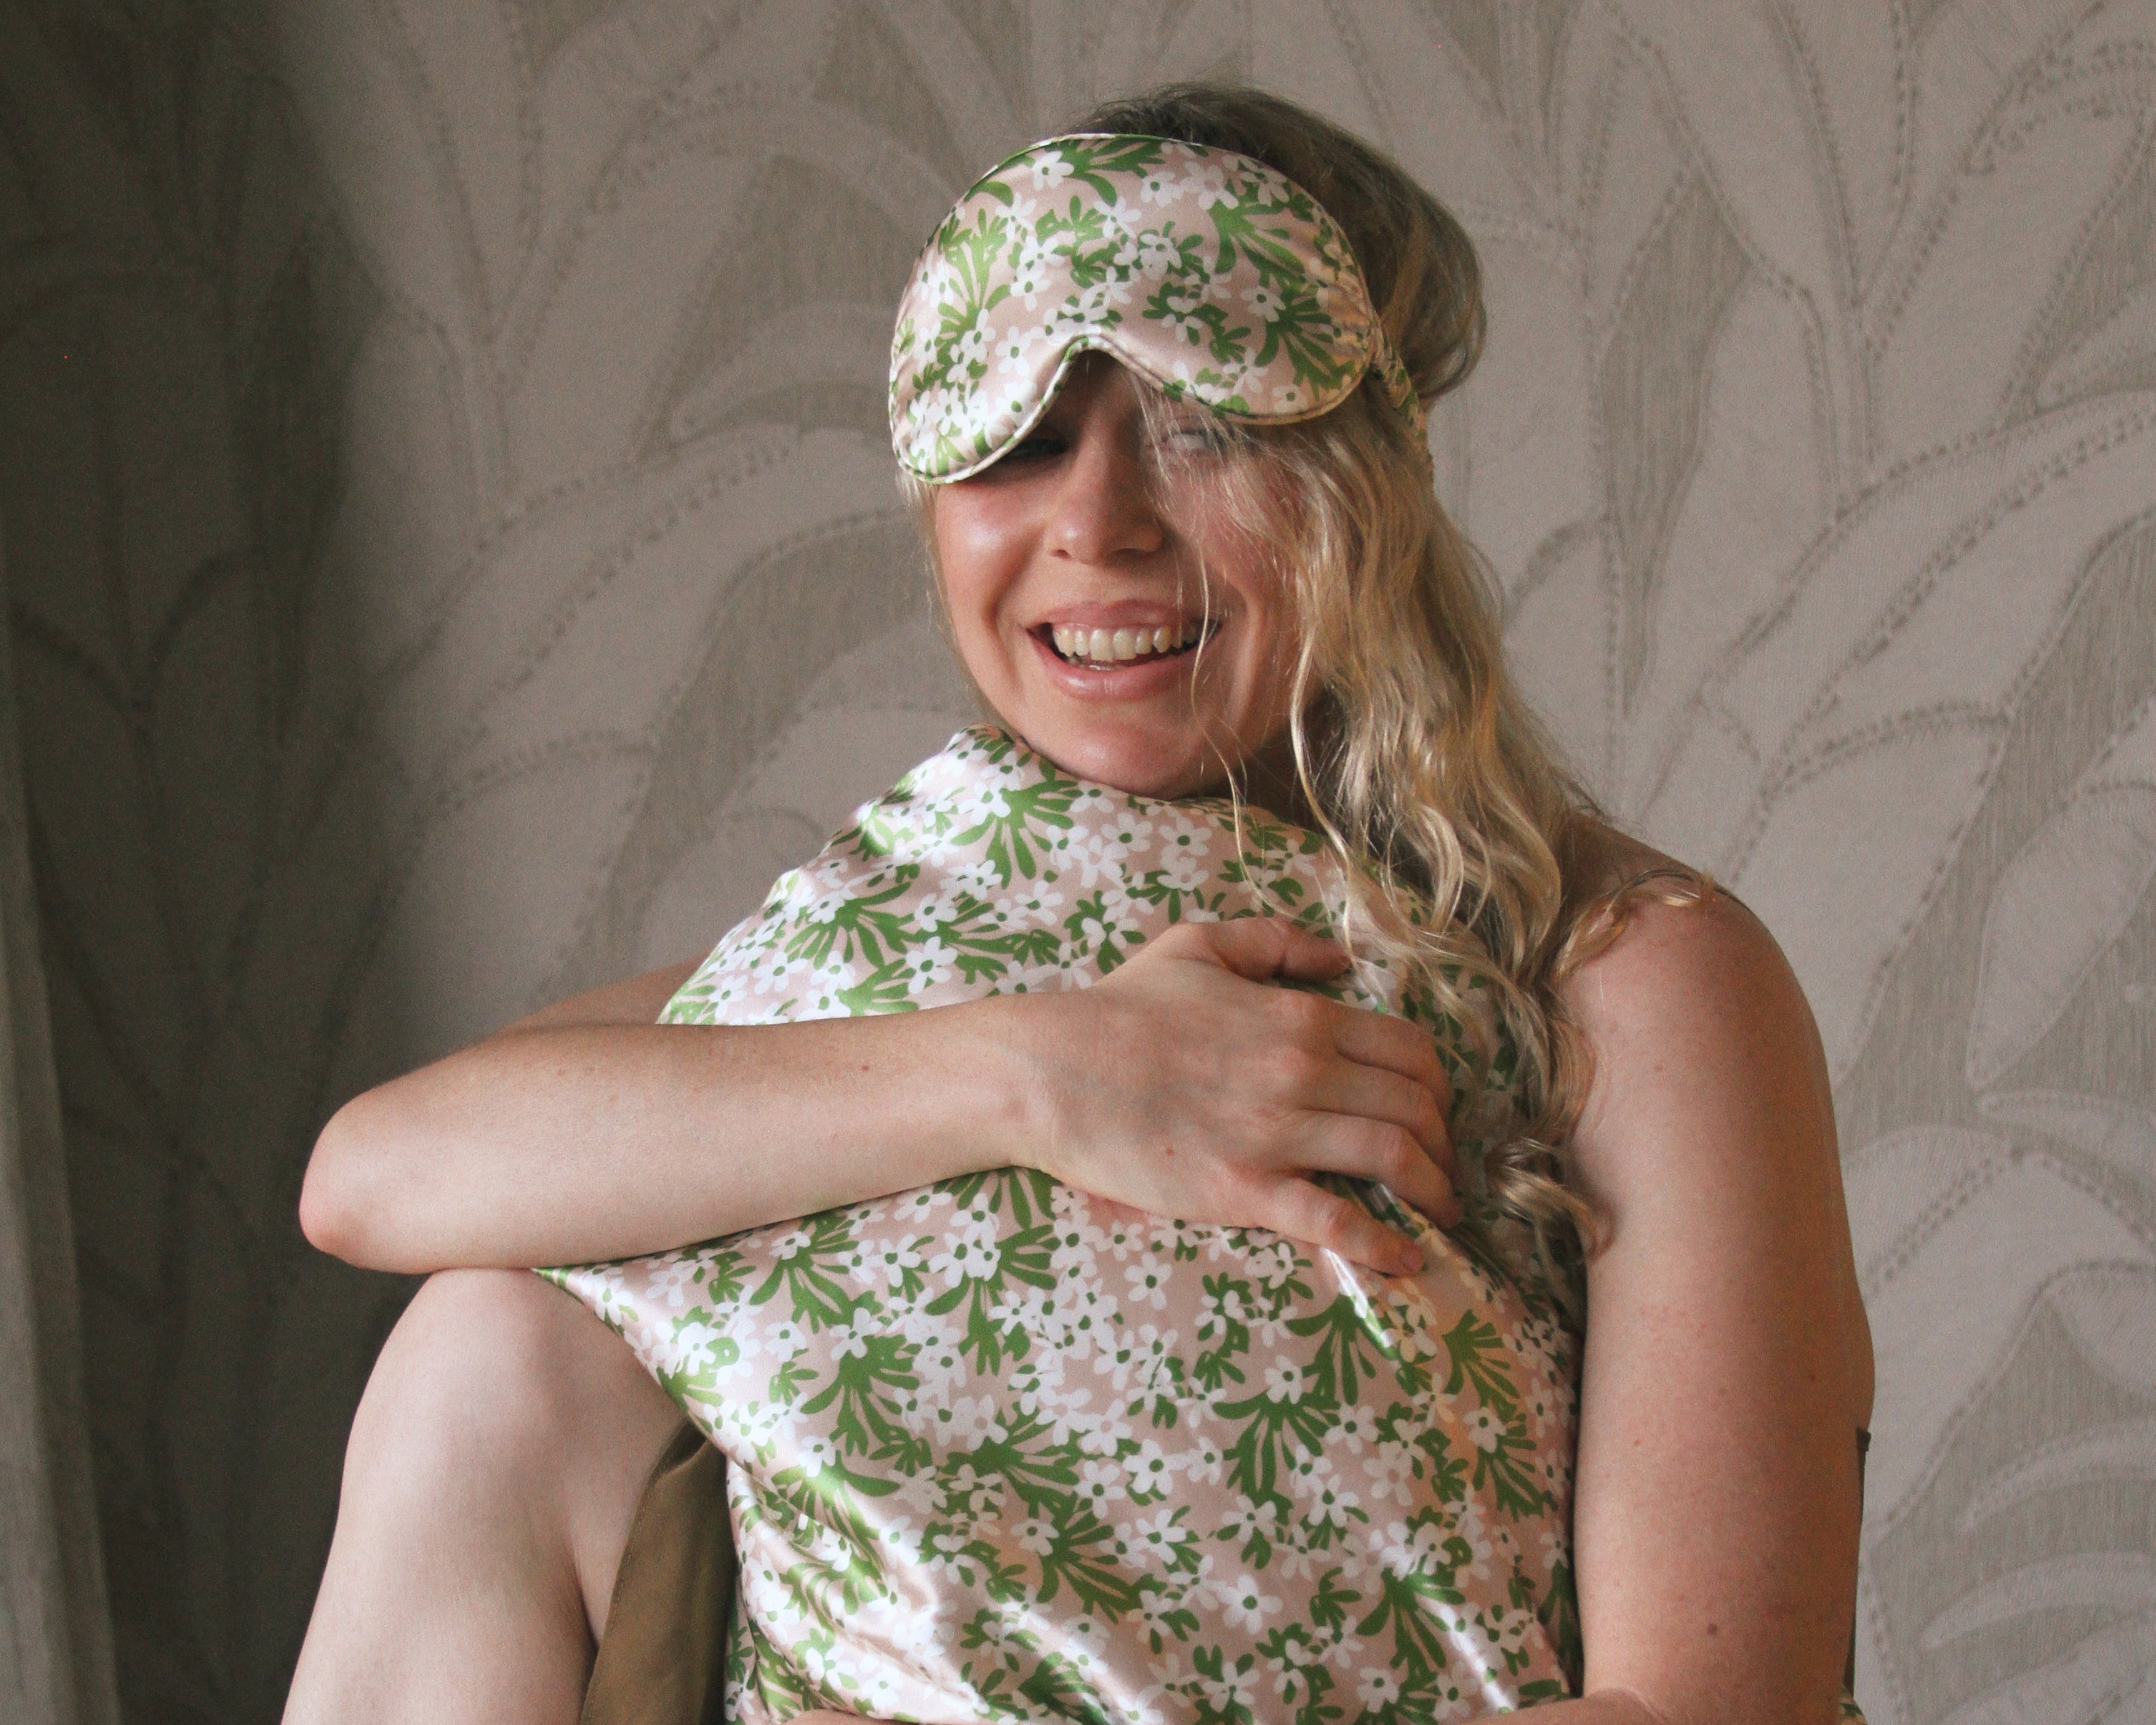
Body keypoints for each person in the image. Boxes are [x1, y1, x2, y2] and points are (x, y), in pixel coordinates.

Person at [284, 83, 1872, 1725]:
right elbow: (376, 1173)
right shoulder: (887, 964)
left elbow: (1711, 1711)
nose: (1097, 527)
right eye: (1018, 441)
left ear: (1369, 471)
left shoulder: (1627, 976)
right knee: (488, 1346)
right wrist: (1050, 1075)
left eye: (1206, 426)